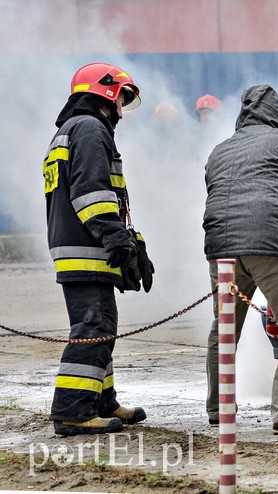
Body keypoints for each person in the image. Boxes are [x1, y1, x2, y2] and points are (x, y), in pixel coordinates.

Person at [203, 84, 278, 434]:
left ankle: (218, 408)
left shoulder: (220, 150)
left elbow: (215, 194)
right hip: (274, 243)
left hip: (221, 245)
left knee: (225, 328)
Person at [43, 62, 155, 436]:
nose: (124, 107)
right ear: (107, 93)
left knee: (100, 325)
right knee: (94, 327)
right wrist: (113, 237)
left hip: (77, 246)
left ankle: (102, 402)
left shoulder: (70, 130)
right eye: (123, 96)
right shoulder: (90, 129)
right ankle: (74, 410)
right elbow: (91, 192)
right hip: (85, 248)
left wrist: (129, 239)